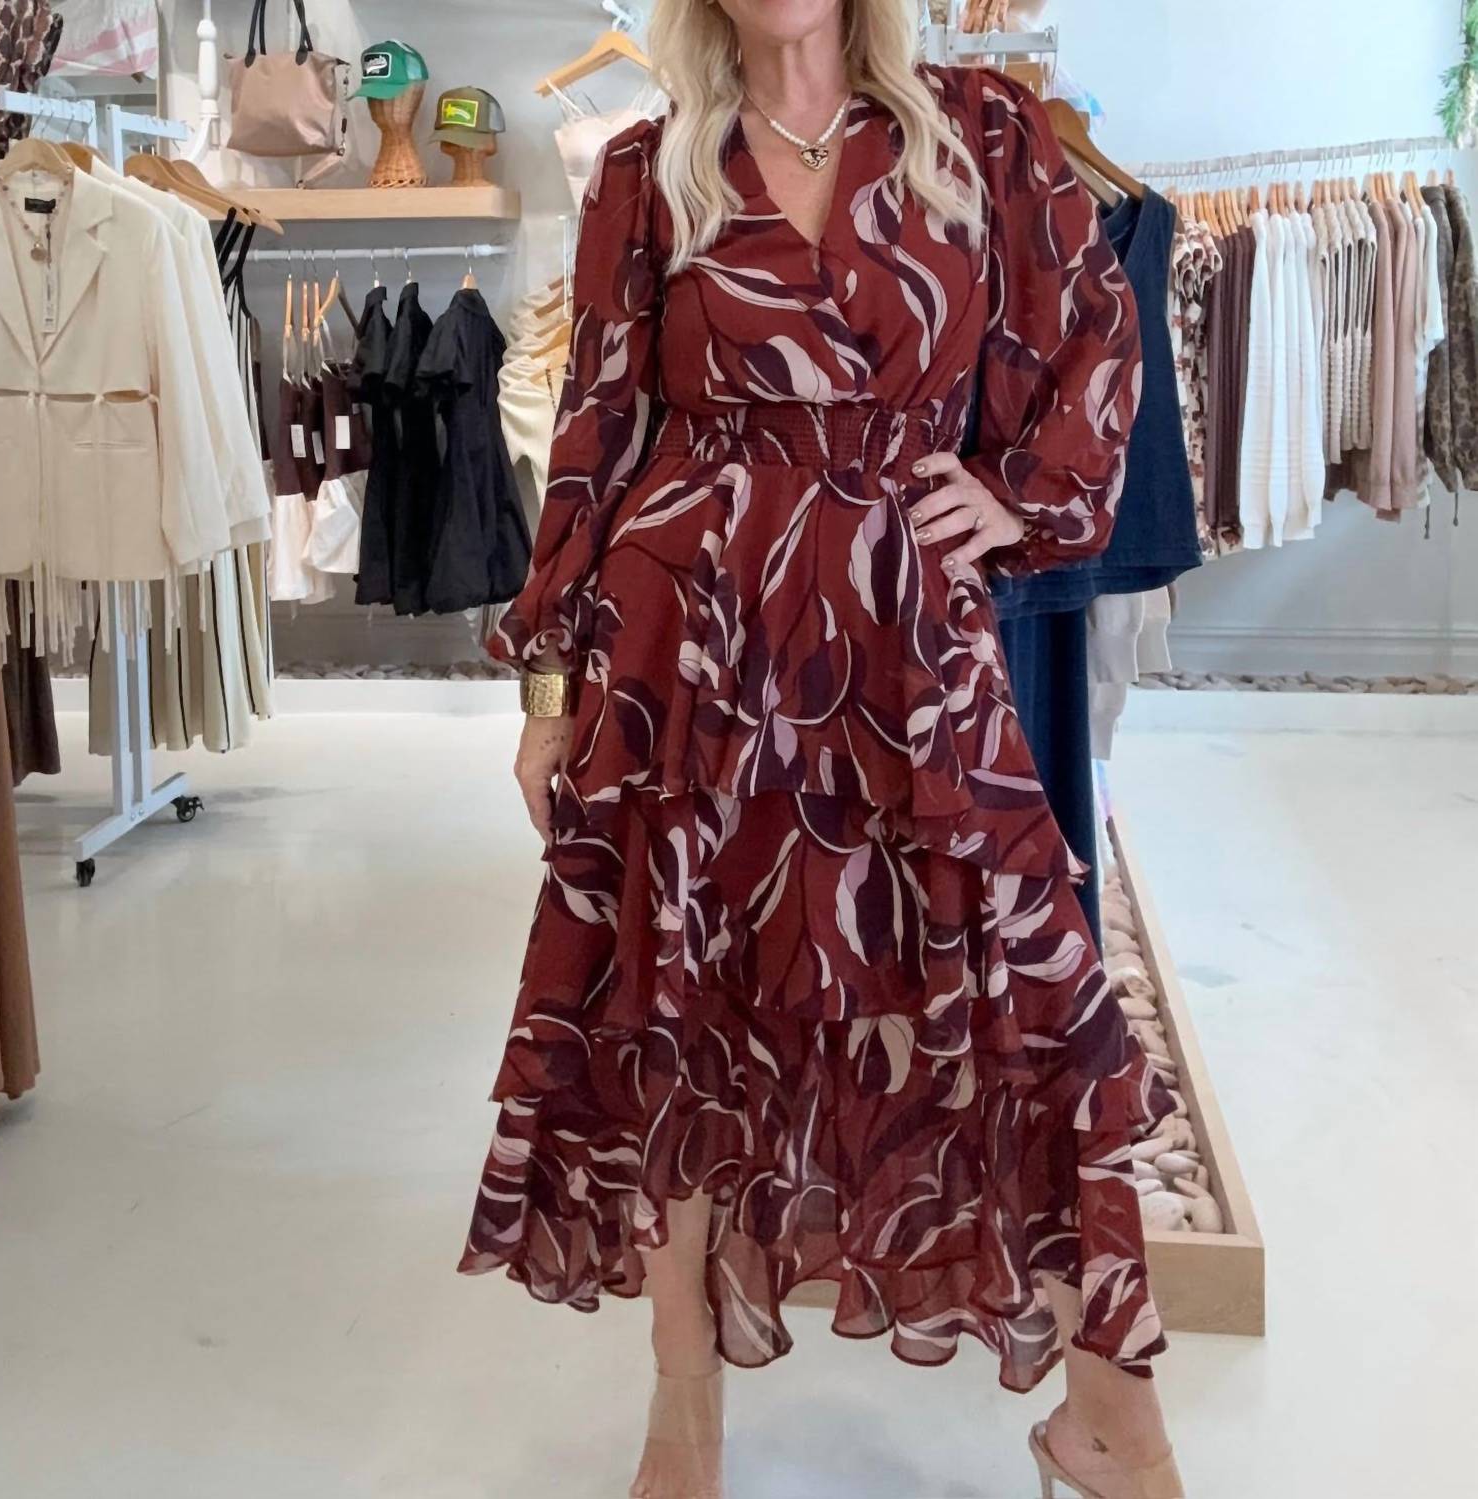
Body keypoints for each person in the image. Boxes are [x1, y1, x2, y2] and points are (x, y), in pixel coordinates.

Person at [459, 2, 1184, 1495]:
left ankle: (1113, 1416)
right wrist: (547, 694)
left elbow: (1098, 335)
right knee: (679, 1013)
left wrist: (1021, 496)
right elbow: (596, 435)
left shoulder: (980, 133)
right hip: (691, 652)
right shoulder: (650, 167)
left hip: (906, 642)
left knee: (1029, 1006)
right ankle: (684, 1409)